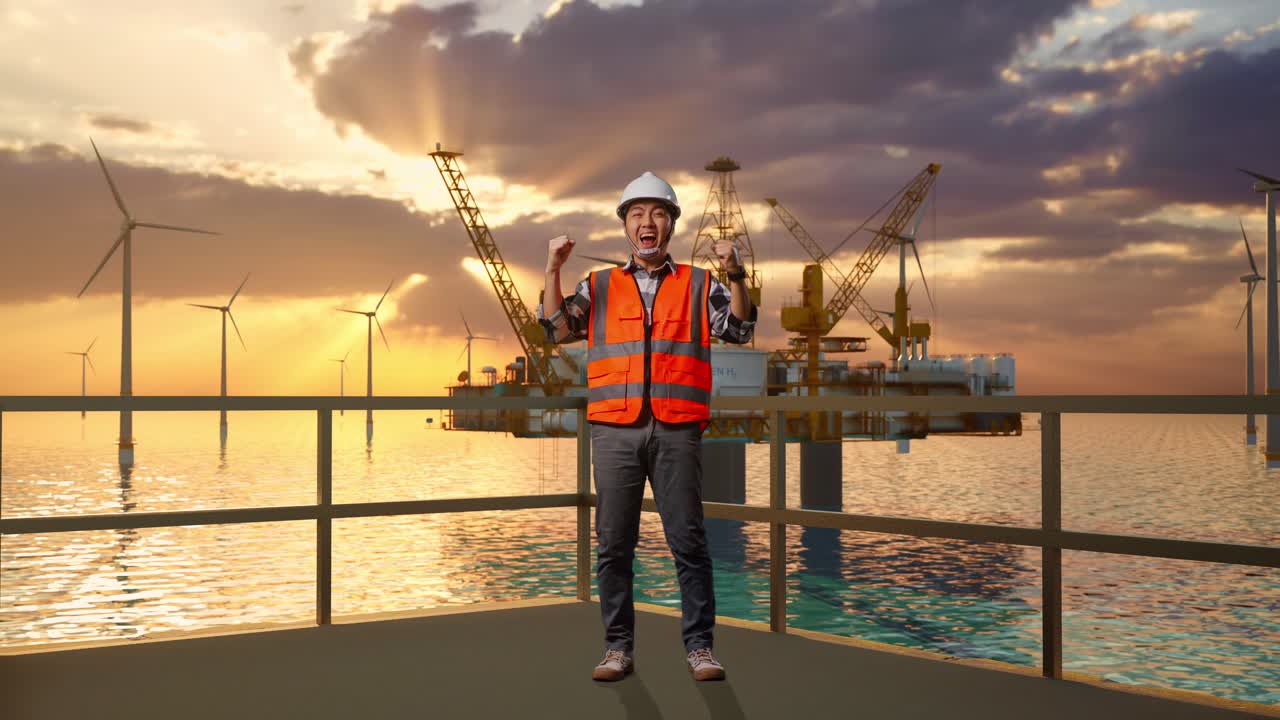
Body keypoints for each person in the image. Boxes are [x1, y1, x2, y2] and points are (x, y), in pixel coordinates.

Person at [538, 170, 756, 682]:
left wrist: (737, 275)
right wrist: (552, 269)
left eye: (658, 213)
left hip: (677, 428)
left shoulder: (700, 283)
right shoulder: (599, 285)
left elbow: (740, 329)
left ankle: (700, 648)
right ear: (625, 226)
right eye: (637, 214)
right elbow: (556, 330)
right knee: (614, 543)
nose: (647, 222)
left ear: (672, 224)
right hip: (615, 428)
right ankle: (617, 648)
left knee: (689, 541)